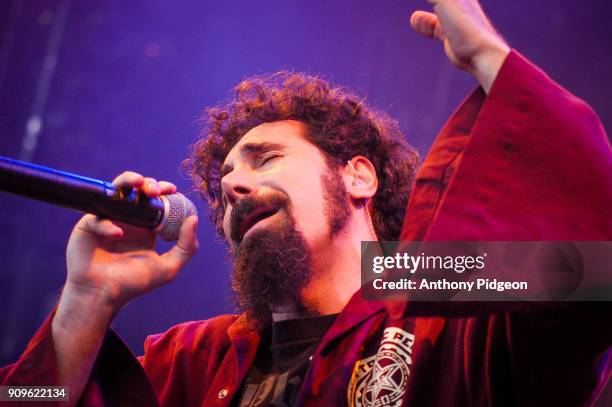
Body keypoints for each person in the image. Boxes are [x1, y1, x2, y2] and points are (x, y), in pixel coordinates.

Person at [2, 0, 611, 405]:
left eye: (265, 158)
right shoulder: (190, 360)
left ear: (359, 177)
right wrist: (86, 299)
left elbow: (590, 277)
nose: (234, 188)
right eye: (222, 188)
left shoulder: (442, 332)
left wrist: (490, 60)